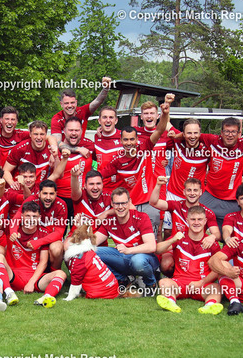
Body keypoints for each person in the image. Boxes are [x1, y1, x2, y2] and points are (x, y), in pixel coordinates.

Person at [99, 95, 174, 232]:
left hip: (150, 199)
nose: (129, 143)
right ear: (120, 141)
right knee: (131, 235)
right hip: (131, 203)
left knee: (155, 233)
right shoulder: (118, 161)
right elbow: (99, 176)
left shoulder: (145, 148)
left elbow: (159, 130)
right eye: (125, 140)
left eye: (132, 140)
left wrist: (165, 112)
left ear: (137, 140)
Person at [0, 201, 67, 307]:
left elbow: (43, 262)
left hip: (35, 277)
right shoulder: (12, 229)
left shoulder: (43, 233)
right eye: (28, 216)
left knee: (61, 274)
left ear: (39, 218)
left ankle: (46, 297)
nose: (31, 219)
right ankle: (9, 292)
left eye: (34, 216)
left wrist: (31, 283)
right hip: (14, 276)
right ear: (21, 216)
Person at [154, 207, 223, 315]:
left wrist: (201, 282)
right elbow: (157, 250)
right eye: (193, 219)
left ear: (205, 221)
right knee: (164, 282)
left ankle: (209, 306)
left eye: (200, 219)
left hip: (202, 284)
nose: (196, 223)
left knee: (217, 287)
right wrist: (173, 239)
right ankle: (171, 302)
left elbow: (218, 268)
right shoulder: (180, 237)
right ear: (187, 220)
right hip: (180, 283)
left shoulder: (211, 243)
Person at [95, 187, 158, 291]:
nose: (120, 207)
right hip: (124, 258)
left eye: (123, 203)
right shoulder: (109, 221)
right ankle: (122, 279)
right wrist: (81, 228)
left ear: (129, 202)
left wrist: (128, 250)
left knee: (137, 261)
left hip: (144, 258)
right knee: (92, 252)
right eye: (117, 204)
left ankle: (151, 284)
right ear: (112, 204)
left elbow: (151, 246)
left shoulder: (141, 217)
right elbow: (92, 242)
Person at [10, 180, 67, 270]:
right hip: (34, 236)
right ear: (39, 193)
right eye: (45, 193)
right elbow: (16, 218)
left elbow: (59, 233)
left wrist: (39, 242)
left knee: (56, 249)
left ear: (56, 194)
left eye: (51, 194)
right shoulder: (32, 199)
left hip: (50, 239)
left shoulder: (61, 205)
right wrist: (13, 232)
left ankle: (54, 272)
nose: (48, 197)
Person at [63, 223, 119, 300]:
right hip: (109, 288)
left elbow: (77, 279)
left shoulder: (81, 257)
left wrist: (70, 297)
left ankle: (71, 295)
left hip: (103, 292)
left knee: (77, 275)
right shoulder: (88, 253)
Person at [50, 77, 112, 143]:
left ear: (76, 102)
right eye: (66, 103)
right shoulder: (56, 119)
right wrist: (77, 148)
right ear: (61, 104)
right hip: (65, 149)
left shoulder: (82, 111)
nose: (70, 106)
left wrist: (106, 88)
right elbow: (57, 143)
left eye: (72, 103)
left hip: (82, 146)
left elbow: (98, 101)